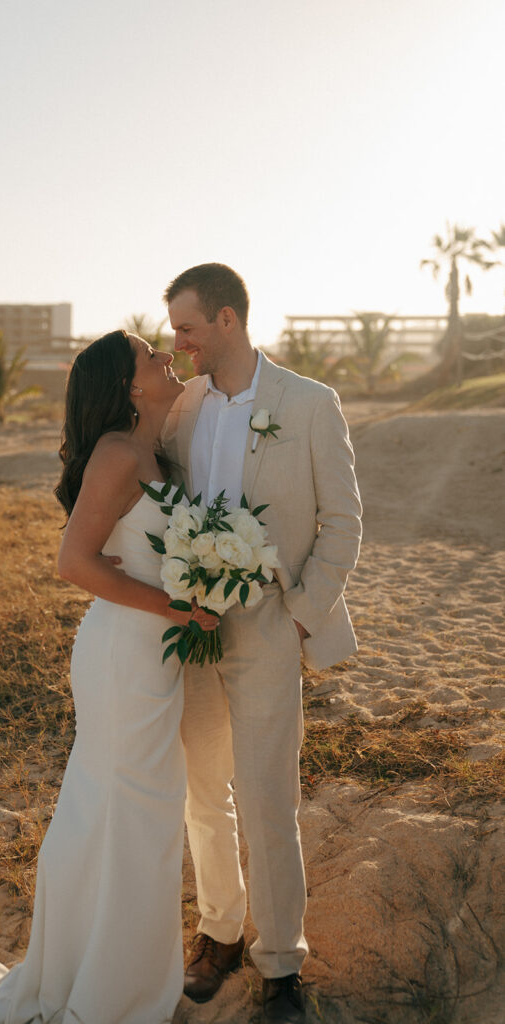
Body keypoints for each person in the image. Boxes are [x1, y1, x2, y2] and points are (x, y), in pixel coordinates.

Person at [0, 329, 217, 1024]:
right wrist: (177, 608)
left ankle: (104, 974)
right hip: (123, 652)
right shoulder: (116, 453)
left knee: (123, 813)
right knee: (132, 812)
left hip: (150, 651)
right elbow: (75, 563)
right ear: (129, 386)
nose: (164, 354)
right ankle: (111, 994)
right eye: (147, 354)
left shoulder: (155, 452)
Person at [161, 264, 363, 1024]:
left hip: (271, 625)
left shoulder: (309, 404)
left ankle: (280, 964)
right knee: (203, 794)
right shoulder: (182, 407)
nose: (176, 343)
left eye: (185, 328)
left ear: (225, 320)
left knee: (268, 798)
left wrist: (301, 615)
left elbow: (343, 522)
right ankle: (217, 935)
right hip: (194, 630)